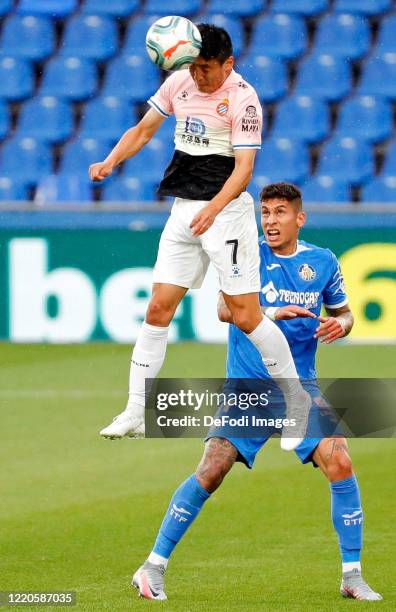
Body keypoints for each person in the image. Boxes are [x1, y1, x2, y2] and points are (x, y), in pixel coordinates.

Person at [132, 183, 382, 602]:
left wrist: (345, 325)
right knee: (212, 469)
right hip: (248, 387)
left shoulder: (322, 262)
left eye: (279, 213)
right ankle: (152, 566)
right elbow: (223, 309)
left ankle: (352, 576)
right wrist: (267, 313)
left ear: (299, 218)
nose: (269, 221)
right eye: (265, 213)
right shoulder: (246, 254)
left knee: (339, 460)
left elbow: (344, 312)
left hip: (299, 387)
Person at [89, 25, 309, 449]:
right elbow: (143, 129)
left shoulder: (244, 99)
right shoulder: (180, 81)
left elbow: (243, 170)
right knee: (157, 308)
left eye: (206, 69)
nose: (198, 76)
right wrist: (110, 159)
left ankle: (296, 402)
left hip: (225, 214)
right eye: (192, 67)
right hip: (185, 211)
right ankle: (137, 409)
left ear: (229, 63)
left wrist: (213, 209)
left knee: (245, 315)